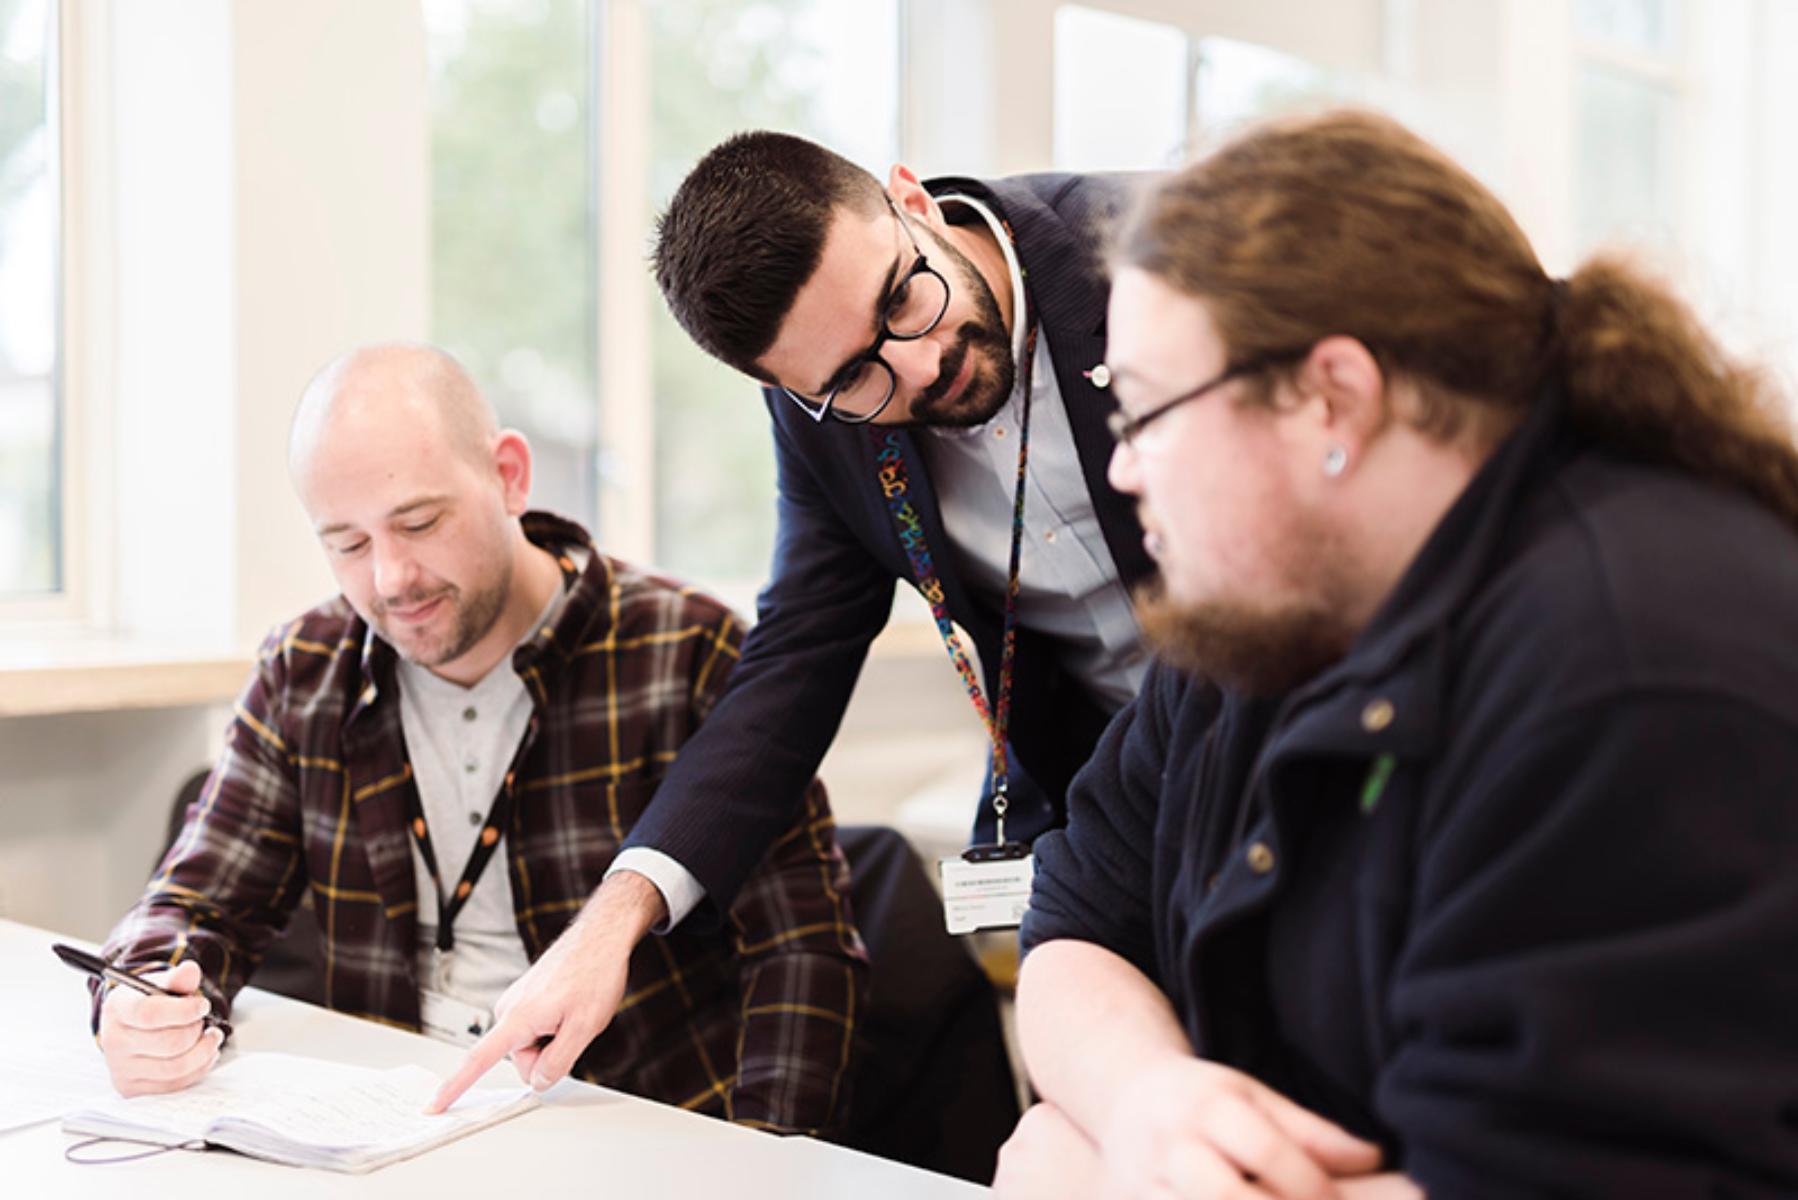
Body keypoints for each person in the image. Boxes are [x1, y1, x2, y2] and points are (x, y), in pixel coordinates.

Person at [1000, 109, 1798, 1198]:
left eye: (1140, 411)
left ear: (1332, 397)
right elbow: (1075, 926)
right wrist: (1144, 1103)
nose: (1125, 470)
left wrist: (1095, 1178)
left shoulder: (1628, 671)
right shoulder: (1262, 613)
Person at [437, 132, 1162, 1102]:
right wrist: (611, 923)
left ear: (910, 198)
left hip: (1291, 726)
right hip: (1110, 804)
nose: (917, 366)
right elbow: (791, 668)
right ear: (788, 388)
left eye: (902, 298)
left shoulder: (1146, 251)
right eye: (854, 377)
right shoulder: (824, 422)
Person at [94, 344, 866, 1137]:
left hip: (623, 1131)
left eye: (420, 523)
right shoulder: (307, 667)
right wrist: (140, 996)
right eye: (348, 545)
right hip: (388, 1125)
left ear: (509, 476)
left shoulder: (686, 650)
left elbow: (802, 953)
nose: (392, 578)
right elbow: (196, 901)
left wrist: (764, 1160)